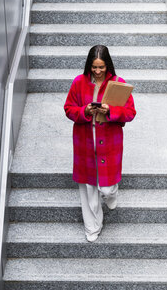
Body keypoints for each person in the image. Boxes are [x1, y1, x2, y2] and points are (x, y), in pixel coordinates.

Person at [64, 45, 136, 242]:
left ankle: (112, 194)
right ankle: (92, 227)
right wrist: (84, 111)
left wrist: (110, 111)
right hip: (84, 142)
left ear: (108, 65)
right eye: (94, 67)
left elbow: (130, 113)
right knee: (88, 188)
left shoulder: (118, 84)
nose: (97, 71)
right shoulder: (79, 82)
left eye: (101, 67)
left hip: (110, 142)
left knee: (107, 188)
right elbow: (69, 108)